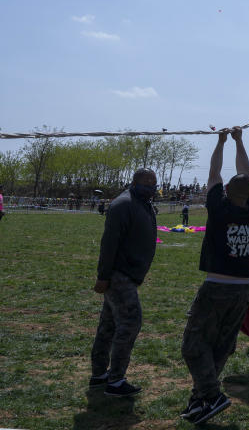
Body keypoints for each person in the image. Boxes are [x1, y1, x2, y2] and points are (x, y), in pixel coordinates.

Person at [180, 128, 249, 425]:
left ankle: (211, 395)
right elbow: (245, 172)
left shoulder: (219, 207)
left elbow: (214, 171)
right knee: (221, 345)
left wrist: (221, 142)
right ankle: (199, 400)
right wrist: (240, 141)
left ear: (226, 192)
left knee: (192, 345)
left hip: (217, 287)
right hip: (242, 290)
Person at [90, 168, 158, 397]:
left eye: (154, 183)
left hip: (129, 274)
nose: (151, 186)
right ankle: (115, 380)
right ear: (134, 182)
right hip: (120, 274)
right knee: (130, 323)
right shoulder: (123, 204)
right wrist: (103, 276)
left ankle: (99, 374)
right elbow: (109, 242)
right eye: (146, 182)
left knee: (108, 325)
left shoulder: (143, 203)